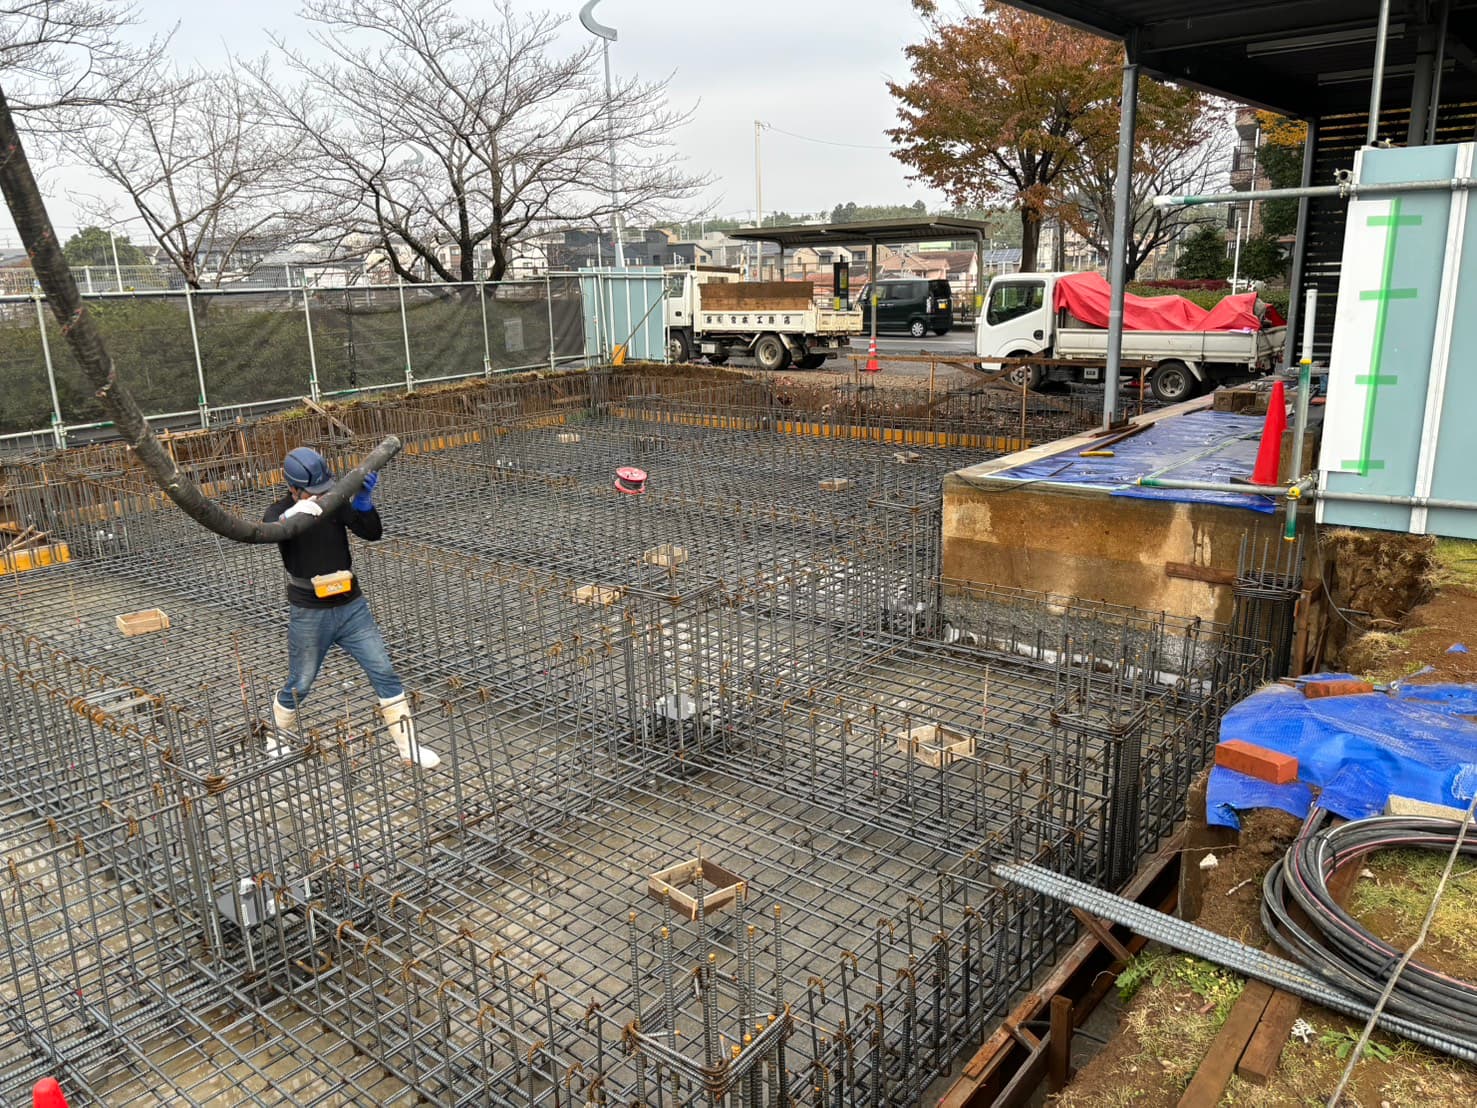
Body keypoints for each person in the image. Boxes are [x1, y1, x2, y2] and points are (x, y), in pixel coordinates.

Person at [264, 446, 439, 769]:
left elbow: (371, 533)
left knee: (384, 671)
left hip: (351, 608)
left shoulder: (334, 504)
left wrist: (363, 504)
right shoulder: (278, 511)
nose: (321, 495)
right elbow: (270, 527)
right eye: (311, 491)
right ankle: (276, 736)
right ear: (293, 487)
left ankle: (408, 747)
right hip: (309, 612)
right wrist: (298, 512)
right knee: (300, 682)